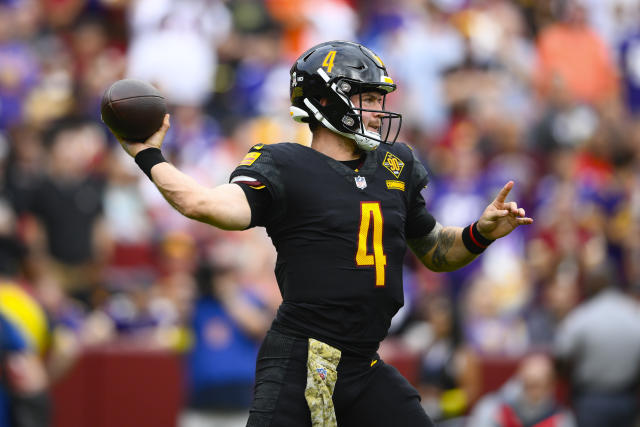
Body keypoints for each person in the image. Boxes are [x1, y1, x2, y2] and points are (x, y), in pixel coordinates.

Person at [109, 40, 533, 427]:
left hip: (364, 363)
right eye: (365, 97)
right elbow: (203, 205)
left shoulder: (394, 165)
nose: (376, 109)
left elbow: (439, 252)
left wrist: (481, 232)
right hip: (301, 359)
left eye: (378, 97)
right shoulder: (284, 164)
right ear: (326, 101)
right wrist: (148, 154)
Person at [468, 353, 576, 427]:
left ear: (550, 386)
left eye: (536, 385)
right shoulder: (493, 408)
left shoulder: (560, 420)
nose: (530, 391)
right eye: (526, 384)